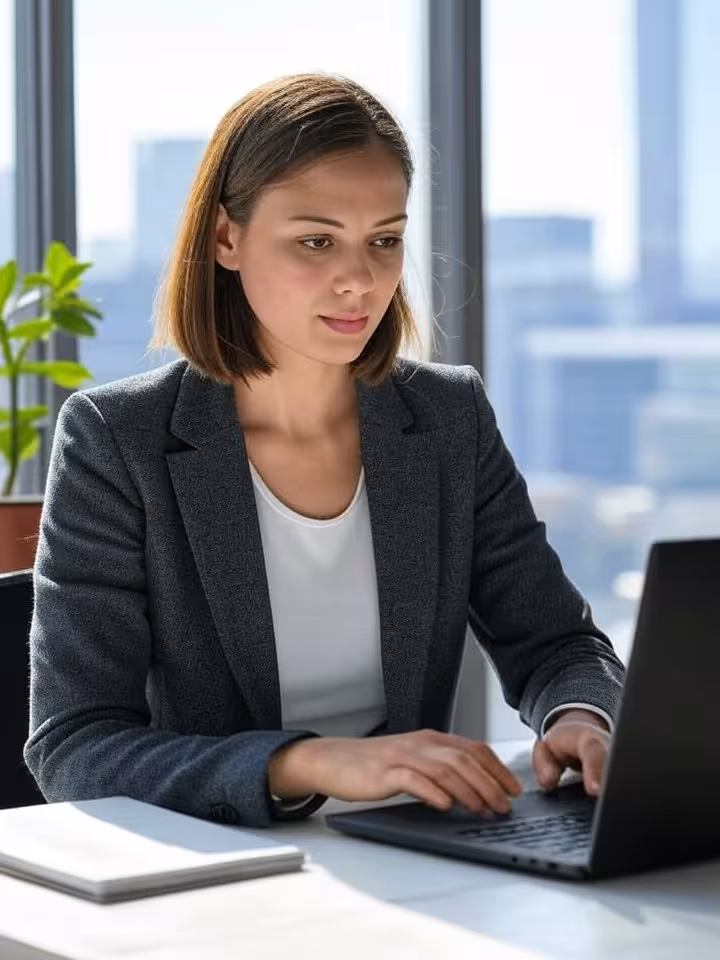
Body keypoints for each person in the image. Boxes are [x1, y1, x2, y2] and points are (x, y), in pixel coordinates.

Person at [25, 73, 624, 829]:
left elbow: (557, 641)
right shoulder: (119, 440)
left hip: (415, 844)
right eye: (317, 241)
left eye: (384, 240)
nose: (360, 280)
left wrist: (581, 718)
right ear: (226, 239)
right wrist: (307, 762)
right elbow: (75, 748)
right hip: (226, 860)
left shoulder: (448, 417)